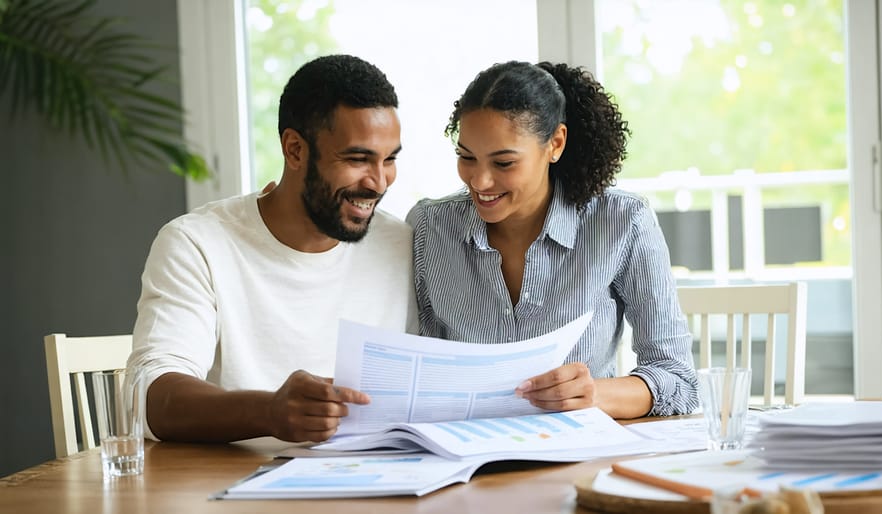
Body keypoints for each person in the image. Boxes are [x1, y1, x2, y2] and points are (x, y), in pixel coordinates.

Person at [127, 54, 416, 443]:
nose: (379, 183)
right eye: (357, 159)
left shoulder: (402, 244)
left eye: (390, 160)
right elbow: (149, 395)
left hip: (379, 483)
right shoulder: (198, 243)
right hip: (230, 489)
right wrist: (269, 412)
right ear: (295, 150)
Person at [406, 61, 698, 419]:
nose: (479, 181)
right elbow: (415, 373)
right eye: (466, 157)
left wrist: (595, 394)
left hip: (578, 458)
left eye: (504, 163)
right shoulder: (430, 228)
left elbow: (679, 380)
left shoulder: (622, 222)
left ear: (555, 144)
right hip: (464, 457)